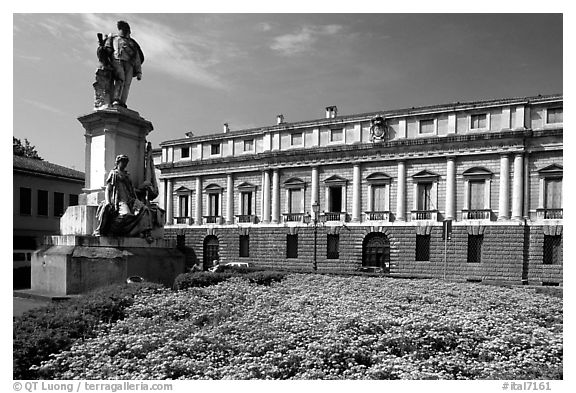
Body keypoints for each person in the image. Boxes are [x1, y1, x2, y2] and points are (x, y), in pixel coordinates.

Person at [94, 154, 161, 241]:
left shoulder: (127, 175)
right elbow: (108, 189)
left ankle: (146, 233)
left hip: (130, 199)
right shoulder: (114, 173)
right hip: (120, 200)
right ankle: (114, 230)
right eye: (123, 162)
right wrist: (107, 201)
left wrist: (143, 188)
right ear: (118, 162)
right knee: (126, 214)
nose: (125, 164)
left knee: (145, 209)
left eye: (126, 162)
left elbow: (132, 189)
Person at [103, 21, 144, 108]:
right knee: (120, 79)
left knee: (127, 84)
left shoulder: (132, 43)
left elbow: (137, 58)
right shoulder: (113, 39)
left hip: (130, 64)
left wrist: (139, 72)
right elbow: (108, 51)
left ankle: (122, 102)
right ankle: (116, 99)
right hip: (117, 61)